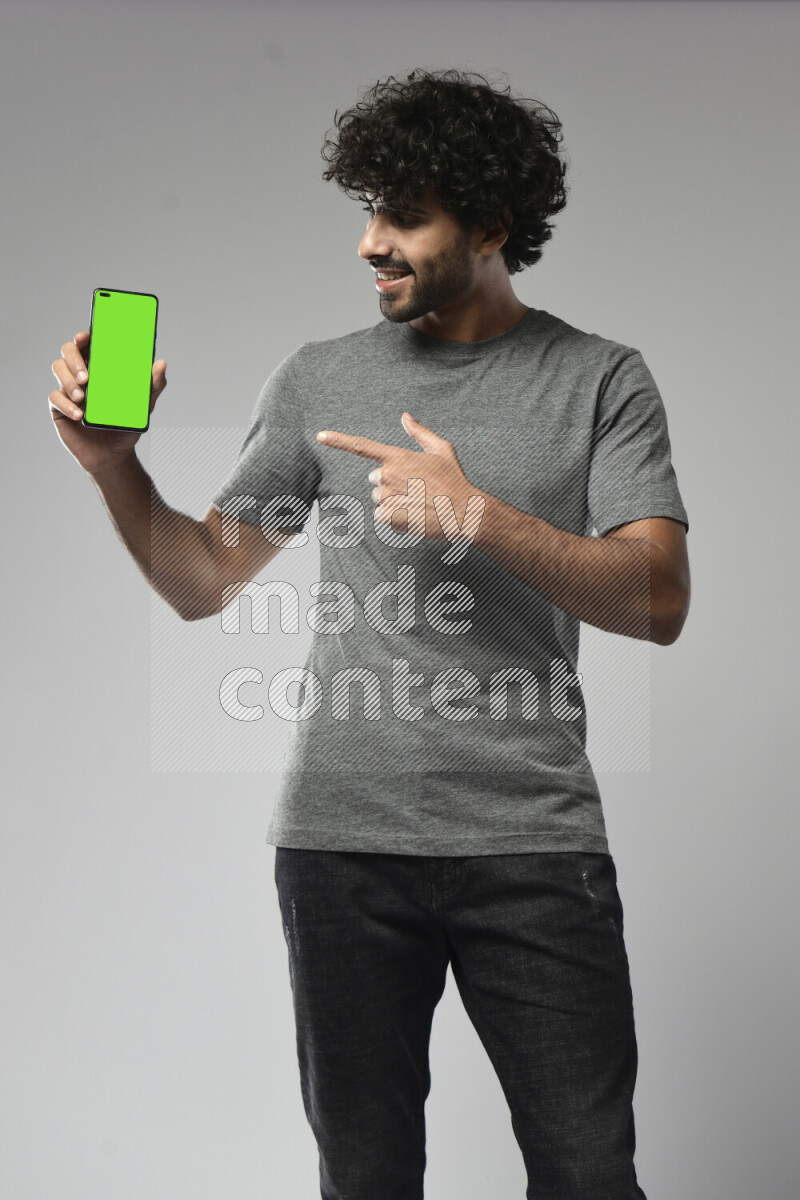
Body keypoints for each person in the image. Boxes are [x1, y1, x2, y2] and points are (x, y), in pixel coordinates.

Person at [49, 68, 690, 1200]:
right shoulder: (317, 379)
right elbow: (203, 580)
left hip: (531, 845)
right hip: (341, 849)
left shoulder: (599, 380)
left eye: (404, 217)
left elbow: (658, 601)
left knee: (590, 1174)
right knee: (366, 1179)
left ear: (491, 227)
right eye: (367, 211)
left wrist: (476, 517)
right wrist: (115, 466)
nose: (368, 243)